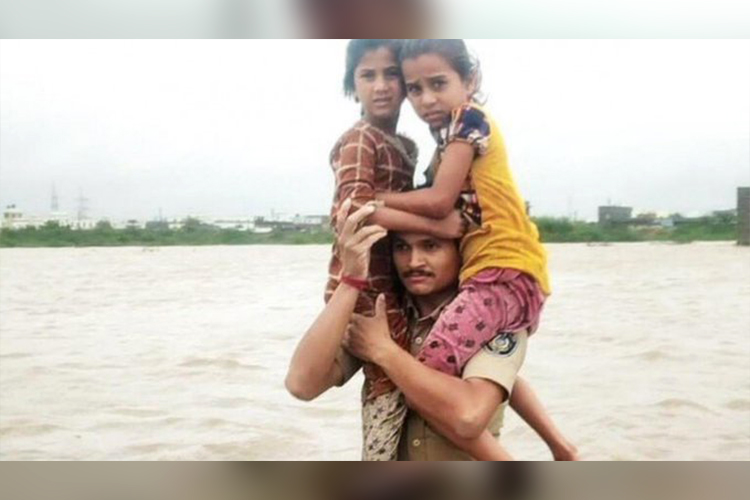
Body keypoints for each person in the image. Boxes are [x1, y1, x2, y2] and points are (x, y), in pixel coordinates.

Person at [371, 39, 552, 460]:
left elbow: (438, 201)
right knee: (476, 366)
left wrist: (375, 201)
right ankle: (564, 449)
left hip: (499, 272)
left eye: (438, 83)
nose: (427, 99)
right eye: (415, 89)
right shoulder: (450, 139)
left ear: (470, 79)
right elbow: (445, 215)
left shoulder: (468, 120)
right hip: (506, 272)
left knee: (428, 383)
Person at [286, 202, 578, 461]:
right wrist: (350, 281)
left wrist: (384, 351)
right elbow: (302, 383)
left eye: (431, 246)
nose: (414, 262)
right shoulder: (386, 316)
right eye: (402, 247)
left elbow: (468, 414)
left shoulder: (490, 320)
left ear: (461, 249)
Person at [322, 39, 466, 461]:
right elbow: (351, 211)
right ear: (353, 86)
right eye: (368, 76)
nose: (381, 86)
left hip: (398, 284)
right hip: (364, 288)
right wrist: (438, 223)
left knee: (414, 384)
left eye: (391, 75)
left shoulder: (409, 148)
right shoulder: (359, 140)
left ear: (405, 85)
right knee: (388, 393)